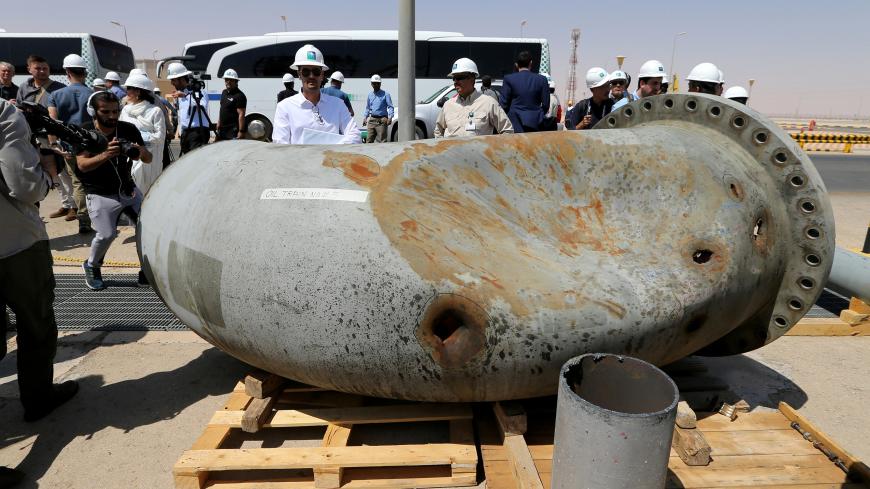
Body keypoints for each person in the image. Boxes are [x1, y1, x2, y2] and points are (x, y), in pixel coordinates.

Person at [0, 100, 79, 440]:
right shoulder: (3, 112)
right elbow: (25, 186)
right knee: (36, 326)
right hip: (13, 244)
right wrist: (47, 169)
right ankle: (38, 398)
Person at [75, 91, 152, 289]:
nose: (112, 116)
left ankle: (147, 270)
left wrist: (140, 151)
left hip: (128, 189)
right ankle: (92, 265)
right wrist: (105, 154)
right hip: (99, 192)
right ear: (93, 112)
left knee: (148, 230)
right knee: (107, 235)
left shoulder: (128, 129)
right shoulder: (84, 132)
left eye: (115, 111)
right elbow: (82, 165)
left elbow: (147, 158)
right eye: (105, 111)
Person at [273, 44, 360, 145]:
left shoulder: (338, 105)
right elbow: (280, 146)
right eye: (306, 71)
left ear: (322, 75)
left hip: (330, 160)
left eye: (316, 72)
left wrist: (329, 152)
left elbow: (355, 136)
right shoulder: (284, 107)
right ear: (299, 74)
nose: (311, 76)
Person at [47, 54, 94, 232]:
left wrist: (54, 145)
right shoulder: (93, 94)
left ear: (67, 72)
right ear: (84, 72)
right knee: (94, 181)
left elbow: (52, 123)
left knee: (78, 182)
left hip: (68, 146)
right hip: (92, 146)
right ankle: (98, 215)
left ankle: (84, 219)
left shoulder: (56, 95)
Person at [434, 57, 513, 138]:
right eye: (454, 78)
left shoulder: (489, 103)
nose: (455, 82)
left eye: (459, 78)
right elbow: (438, 132)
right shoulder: (448, 105)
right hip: (451, 151)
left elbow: (507, 131)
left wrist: (493, 149)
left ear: (472, 78)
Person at [119, 74, 165, 194]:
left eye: (129, 88)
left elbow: (160, 137)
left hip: (149, 157)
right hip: (129, 156)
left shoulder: (155, 111)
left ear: (138, 91)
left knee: (148, 190)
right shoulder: (125, 110)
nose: (126, 91)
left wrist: (140, 140)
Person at [166, 62, 211, 155]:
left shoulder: (200, 92)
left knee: (196, 162)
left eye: (173, 80)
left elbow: (201, 106)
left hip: (198, 133)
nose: (171, 83)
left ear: (181, 79)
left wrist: (185, 95)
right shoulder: (181, 93)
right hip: (185, 133)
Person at [499, 50, 549, 133]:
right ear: (531, 63)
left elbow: (503, 104)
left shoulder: (508, 79)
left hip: (514, 123)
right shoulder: (542, 80)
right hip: (536, 123)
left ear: (516, 65)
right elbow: (545, 105)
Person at [216, 69, 247, 141]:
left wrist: (241, 131)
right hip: (222, 129)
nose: (228, 82)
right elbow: (222, 109)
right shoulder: (224, 92)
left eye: (231, 80)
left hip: (233, 131)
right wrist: (218, 123)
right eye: (226, 80)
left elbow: (241, 114)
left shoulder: (240, 96)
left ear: (236, 81)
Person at [363, 74, 394, 143]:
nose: (376, 85)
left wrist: (390, 117)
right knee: (368, 140)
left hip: (382, 120)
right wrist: (365, 117)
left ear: (380, 84)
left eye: (378, 83)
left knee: (382, 141)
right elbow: (367, 107)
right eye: (374, 83)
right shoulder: (370, 95)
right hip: (372, 120)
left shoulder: (386, 94)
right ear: (371, 84)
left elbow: (390, 106)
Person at [153, 86, 177, 166]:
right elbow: (170, 109)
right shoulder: (162, 99)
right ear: (159, 92)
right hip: (162, 124)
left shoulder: (150, 99)